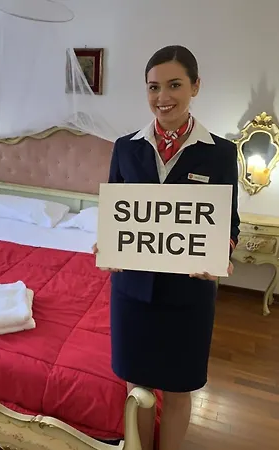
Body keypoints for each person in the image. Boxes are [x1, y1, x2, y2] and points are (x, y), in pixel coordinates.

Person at [93, 45, 240, 450]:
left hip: (188, 296)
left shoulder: (221, 153)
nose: (163, 97)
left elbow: (229, 222)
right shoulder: (126, 147)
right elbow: (118, 210)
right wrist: (108, 242)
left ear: (195, 86)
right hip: (132, 292)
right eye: (153, 87)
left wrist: (221, 254)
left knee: (178, 390)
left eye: (174, 85)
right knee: (137, 388)